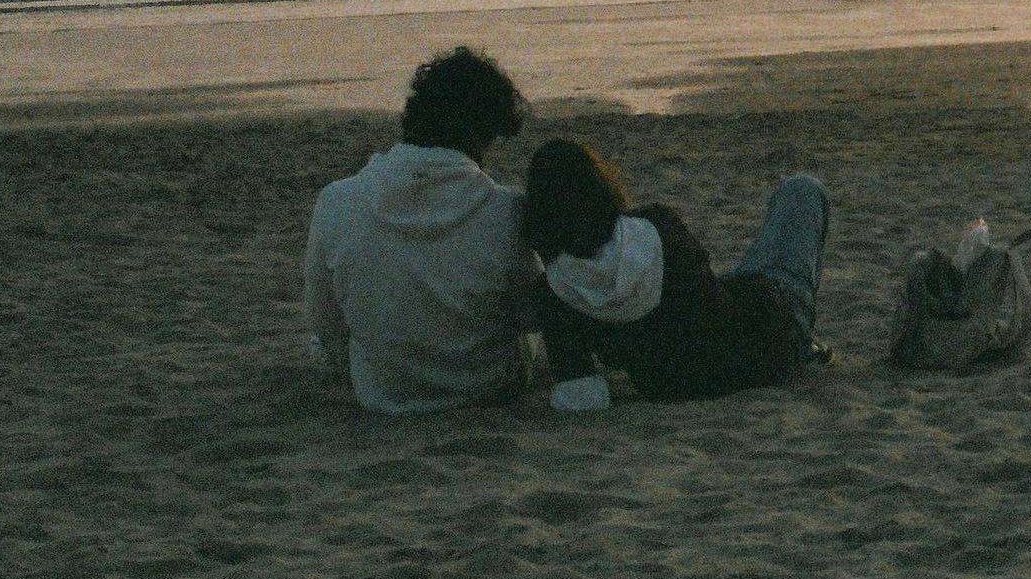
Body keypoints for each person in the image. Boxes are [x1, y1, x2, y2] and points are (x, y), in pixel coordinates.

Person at [303, 47, 536, 413]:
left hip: (383, 392)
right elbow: (529, 315)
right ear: (483, 133)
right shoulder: (506, 209)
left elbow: (325, 320)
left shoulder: (338, 200)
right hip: (488, 384)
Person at [520, 137, 831, 409]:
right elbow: (708, 303)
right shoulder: (657, 226)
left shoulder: (554, 294)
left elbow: (580, 396)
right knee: (802, 189)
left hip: (676, 382)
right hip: (770, 342)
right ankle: (806, 342)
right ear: (599, 188)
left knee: (740, 280)